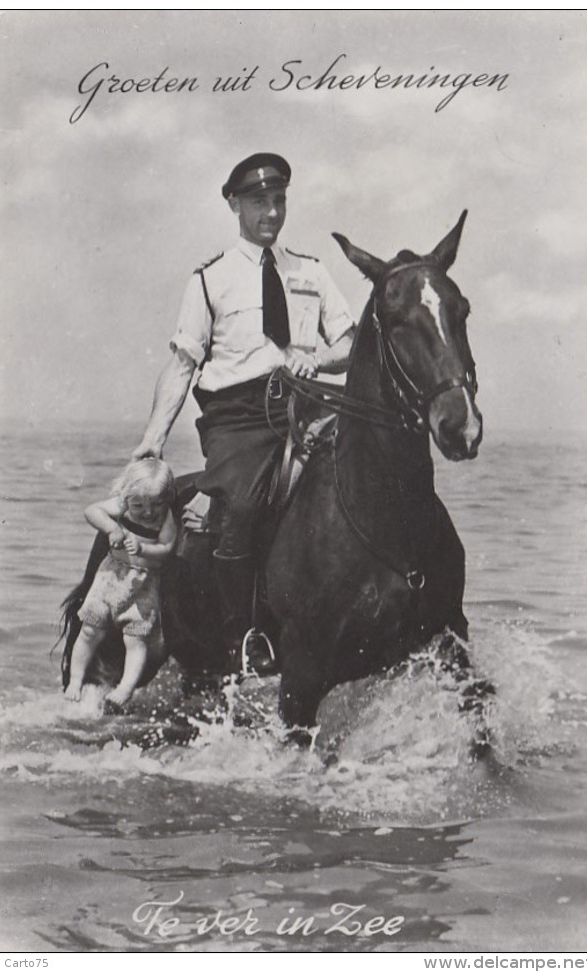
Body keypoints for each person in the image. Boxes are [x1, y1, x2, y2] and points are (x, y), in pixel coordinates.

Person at [132, 152, 355, 672]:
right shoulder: (209, 279)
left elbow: (350, 342)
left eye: (279, 200)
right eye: (259, 202)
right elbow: (183, 363)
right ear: (234, 205)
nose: (272, 213)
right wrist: (152, 439)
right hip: (237, 417)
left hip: (307, 403)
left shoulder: (312, 272)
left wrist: (318, 356)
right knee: (242, 505)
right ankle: (242, 634)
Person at [64, 458, 177, 711]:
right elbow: (91, 511)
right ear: (127, 496)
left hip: (143, 586)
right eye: (139, 505)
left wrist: (145, 548)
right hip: (109, 579)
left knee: (135, 639)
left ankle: (125, 687)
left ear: (167, 498)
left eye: (157, 504)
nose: (148, 512)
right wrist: (112, 528)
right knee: (89, 631)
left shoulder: (165, 518)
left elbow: (168, 547)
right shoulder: (123, 505)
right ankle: (75, 680)